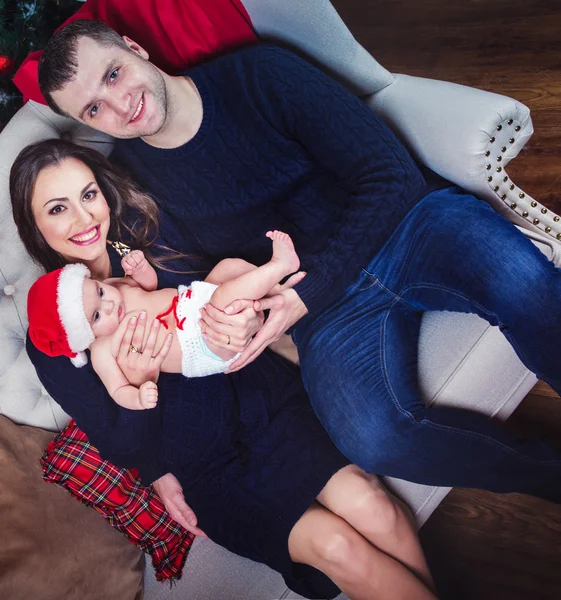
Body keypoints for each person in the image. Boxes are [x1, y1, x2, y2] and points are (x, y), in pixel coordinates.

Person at [36, 19, 561, 505]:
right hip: (327, 315)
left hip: (409, 227)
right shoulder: (137, 187)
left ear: (135, 48)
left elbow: (390, 176)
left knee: (524, 285)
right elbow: (200, 287)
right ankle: (547, 476)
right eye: (93, 110)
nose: (118, 104)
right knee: (373, 440)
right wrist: (225, 324)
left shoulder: (261, 74)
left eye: (113, 74)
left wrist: (301, 295)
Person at [10, 139, 438, 600]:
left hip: (262, 400)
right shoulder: (54, 337)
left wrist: (250, 319)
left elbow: (231, 285)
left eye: (88, 195)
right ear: (33, 226)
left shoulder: (145, 234)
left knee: (376, 507)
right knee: (337, 546)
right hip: (207, 465)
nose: (83, 219)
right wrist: (144, 384)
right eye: (57, 209)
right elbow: (120, 443)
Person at [27, 231, 303, 409]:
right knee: (223, 300)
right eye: (97, 316)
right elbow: (117, 389)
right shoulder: (101, 351)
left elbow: (147, 286)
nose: (109, 303)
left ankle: (277, 293)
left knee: (228, 268)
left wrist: (140, 269)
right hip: (200, 344)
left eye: (99, 291)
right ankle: (280, 265)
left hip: (193, 299)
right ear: (85, 336)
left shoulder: (114, 287)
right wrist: (138, 396)